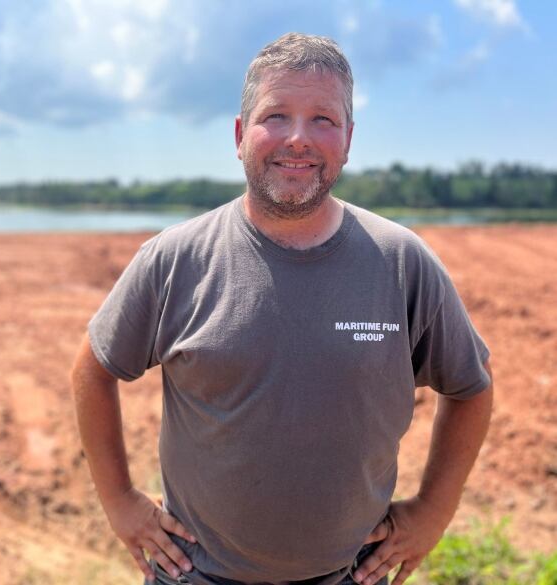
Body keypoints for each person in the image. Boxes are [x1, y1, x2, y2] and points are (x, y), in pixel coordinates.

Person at [71, 32, 493, 585]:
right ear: (241, 134)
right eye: (276, 115)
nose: (299, 138)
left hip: (347, 575)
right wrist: (122, 501)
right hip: (196, 575)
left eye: (323, 119)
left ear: (348, 139)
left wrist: (433, 511)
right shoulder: (175, 259)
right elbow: (93, 369)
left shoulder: (401, 262)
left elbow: (471, 388)